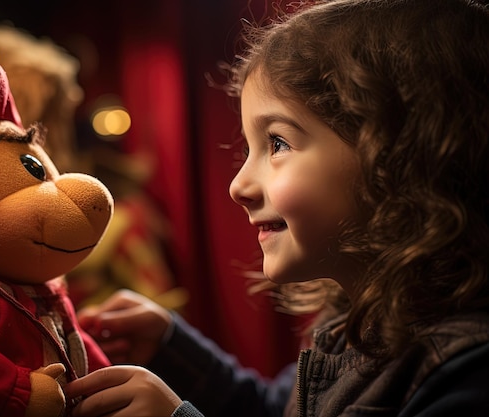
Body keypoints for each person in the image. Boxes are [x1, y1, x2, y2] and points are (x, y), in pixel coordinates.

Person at [64, 0, 489, 415]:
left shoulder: (465, 371)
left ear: (401, 158)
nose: (238, 186)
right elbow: (269, 408)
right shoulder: (348, 324)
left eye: (278, 143)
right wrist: (171, 346)